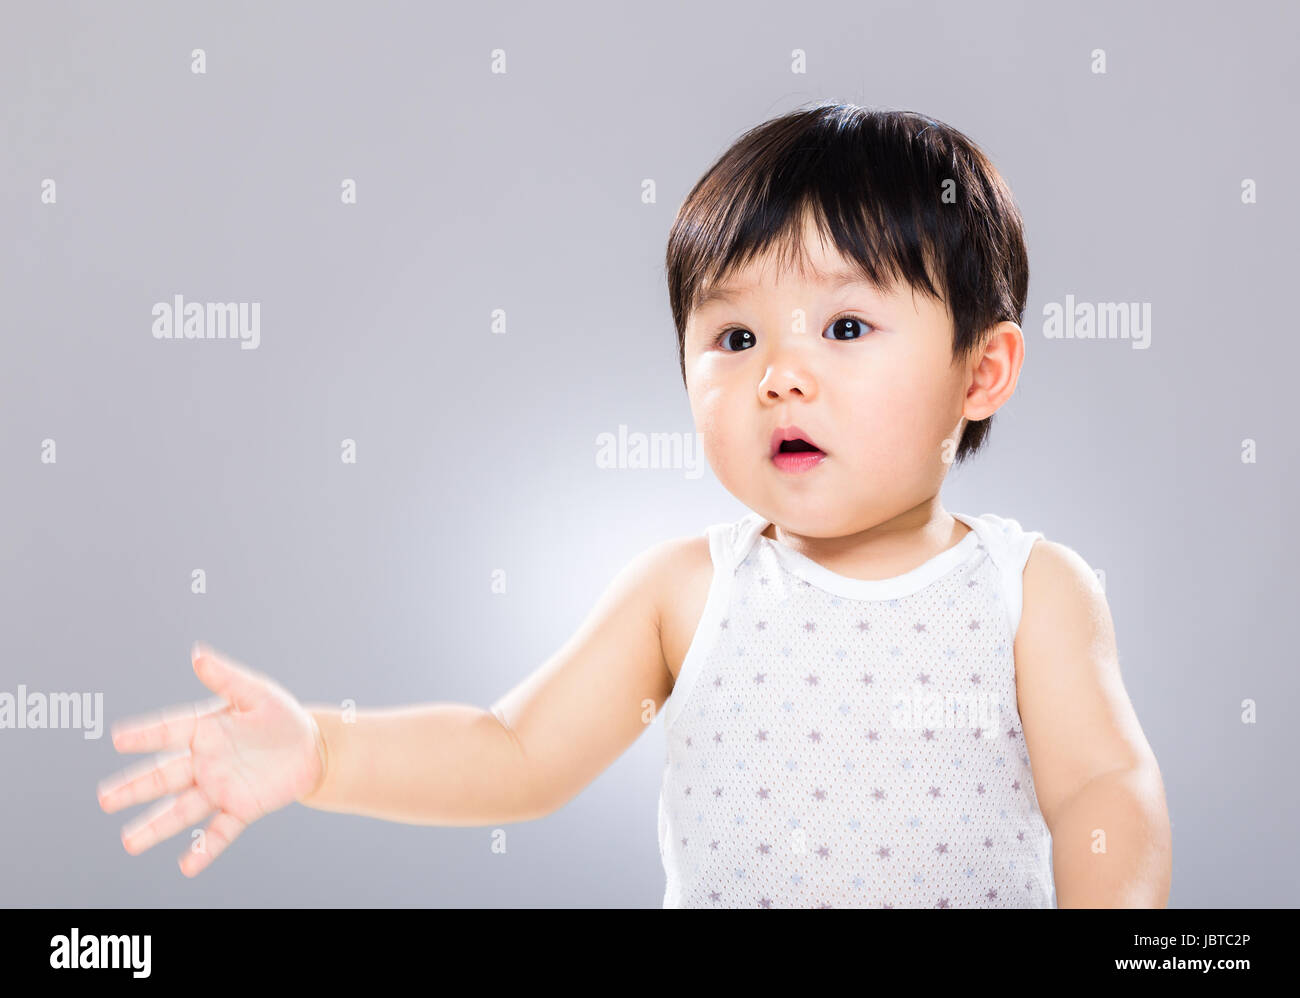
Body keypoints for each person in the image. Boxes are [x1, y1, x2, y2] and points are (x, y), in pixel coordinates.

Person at [97, 102, 1172, 908]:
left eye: (844, 327)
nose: (779, 375)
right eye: (735, 337)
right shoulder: (686, 592)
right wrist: (325, 752)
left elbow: (1103, 787)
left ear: (980, 372)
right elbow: (513, 751)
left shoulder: (1027, 590)